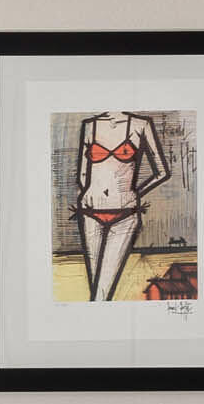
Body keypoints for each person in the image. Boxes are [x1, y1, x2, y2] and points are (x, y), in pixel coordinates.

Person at [73, 111, 171, 302]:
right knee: (98, 287)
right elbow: (83, 175)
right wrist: (86, 194)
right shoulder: (89, 125)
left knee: (102, 290)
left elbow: (162, 172)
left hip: (124, 213)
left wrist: (135, 192)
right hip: (89, 212)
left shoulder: (141, 125)